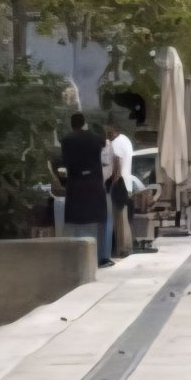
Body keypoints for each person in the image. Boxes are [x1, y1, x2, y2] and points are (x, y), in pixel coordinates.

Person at [60, 114, 113, 268]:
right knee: (98, 221)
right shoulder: (95, 138)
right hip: (94, 185)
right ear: (84, 123)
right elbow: (103, 149)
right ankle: (101, 257)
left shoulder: (66, 140)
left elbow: (64, 162)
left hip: (75, 186)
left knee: (75, 223)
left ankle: (74, 259)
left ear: (72, 124)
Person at [104, 122, 135, 259]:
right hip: (126, 183)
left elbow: (117, 163)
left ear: (112, 130)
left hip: (119, 184)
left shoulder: (116, 143)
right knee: (123, 218)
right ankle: (125, 247)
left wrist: (112, 181)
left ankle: (122, 249)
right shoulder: (125, 140)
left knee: (119, 219)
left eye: (107, 132)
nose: (106, 136)